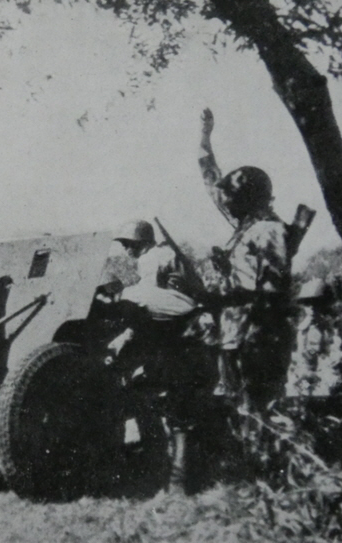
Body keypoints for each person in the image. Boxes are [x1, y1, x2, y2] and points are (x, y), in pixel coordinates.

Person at [103, 219, 213, 494]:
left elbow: (148, 302)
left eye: (131, 245)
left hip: (176, 335)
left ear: (144, 243)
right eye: (125, 246)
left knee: (174, 413)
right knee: (168, 411)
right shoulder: (161, 257)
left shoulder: (155, 259)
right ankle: (169, 477)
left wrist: (121, 344)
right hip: (178, 330)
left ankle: (175, 483)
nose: (128, 251)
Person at [198, 108, 293, 413]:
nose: (225, 202)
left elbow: (272, 293)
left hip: (256, 339)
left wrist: (224, 292)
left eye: (232, 198)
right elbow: (213, 182)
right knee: (239, 411)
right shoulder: (247, 225)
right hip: (233, 334)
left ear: (248, 199)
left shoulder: (268, 230)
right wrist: (205, 136)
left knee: (257, 411)